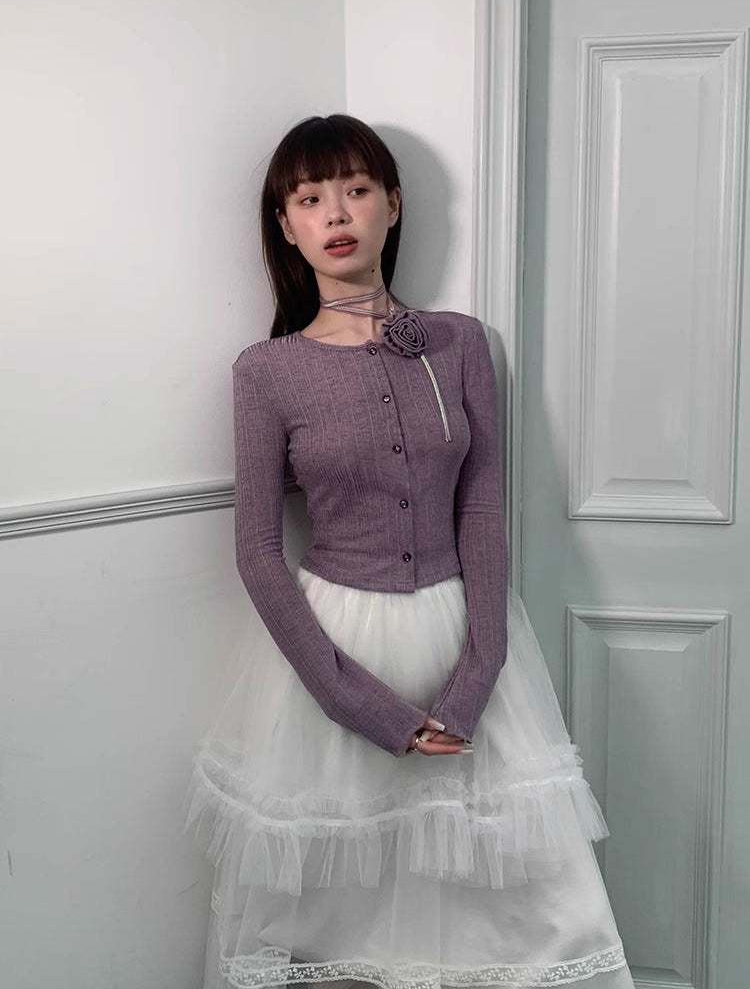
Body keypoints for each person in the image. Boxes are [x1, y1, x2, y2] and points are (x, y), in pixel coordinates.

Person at [184, 114, 636, 989]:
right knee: (333, 909)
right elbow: (257, 551)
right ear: (286, 226)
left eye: (356, 189)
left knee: (517, 904)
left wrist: (478, 673)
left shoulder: (460, 342)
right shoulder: (266, 371)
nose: (335, 213)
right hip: (335, 651)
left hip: (464, 636)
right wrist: (360, 706)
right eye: (309, 199)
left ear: (392, 204)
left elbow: (483, 503)